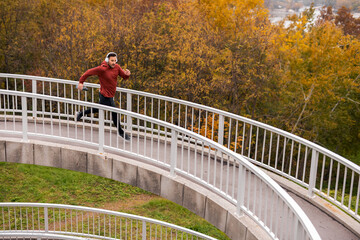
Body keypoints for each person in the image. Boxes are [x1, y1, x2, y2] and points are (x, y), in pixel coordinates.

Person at [76, 52, 131, 141]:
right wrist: (81, 82)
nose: (114, 62)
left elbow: (123, 76)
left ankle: (81, 113)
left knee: (98, 109)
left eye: (115, 60)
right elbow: (88, 72)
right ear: (107, 60)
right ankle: (121, 132)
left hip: (110, 95)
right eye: (112, 60)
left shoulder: (117, 67)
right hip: (105, 95)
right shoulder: (102, 69)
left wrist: (127, 75)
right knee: (114, 112)